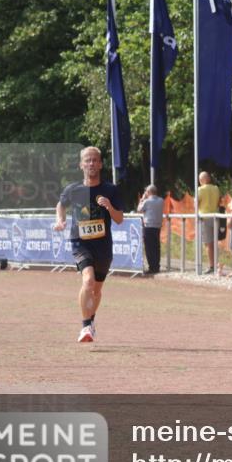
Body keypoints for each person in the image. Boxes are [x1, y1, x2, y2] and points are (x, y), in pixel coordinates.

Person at [54, 147, 123, 343]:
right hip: (80, 243)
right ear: (81, 165)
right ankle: (85, 327)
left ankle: (91, 321)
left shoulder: (110, 190)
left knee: (97, 290)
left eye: (94, 160)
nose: (91, 163)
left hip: (103, 246)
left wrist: (109, 206)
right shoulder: (73, 189)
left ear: (100, 164)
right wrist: (60, 220)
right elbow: (61, 204)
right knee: (88, 281)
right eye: (87, 160)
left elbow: (119, 219)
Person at [137, 184, 164, 274]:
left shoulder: (147, 201)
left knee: (149, 247)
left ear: (148, 192)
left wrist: (142, 199)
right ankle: (157, 266)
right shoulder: (161, 200)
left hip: (148, 226)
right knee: (156, 247)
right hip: (157, 226)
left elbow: (139, 209)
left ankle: (152, 267)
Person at [197, 172, 220, 274]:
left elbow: (196, 204)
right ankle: (216, 264)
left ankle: (212, 266)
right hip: (215, 216)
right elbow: (218, 202)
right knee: (214, 242)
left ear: (201, 180)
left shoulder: (200, 190)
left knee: (208, 243)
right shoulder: (216, 188)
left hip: (205, 217)